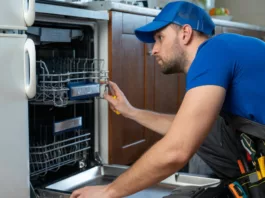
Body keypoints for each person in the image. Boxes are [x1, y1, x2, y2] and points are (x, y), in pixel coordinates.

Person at [70, 1, 265, 198]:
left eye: (160, 38)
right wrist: (130, 111)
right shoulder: (224, 49)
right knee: (205, 129)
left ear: (186, 33)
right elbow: (188, 129)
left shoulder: (213, 51)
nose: (153, 49)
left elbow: (177, 149)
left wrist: (109, 191)